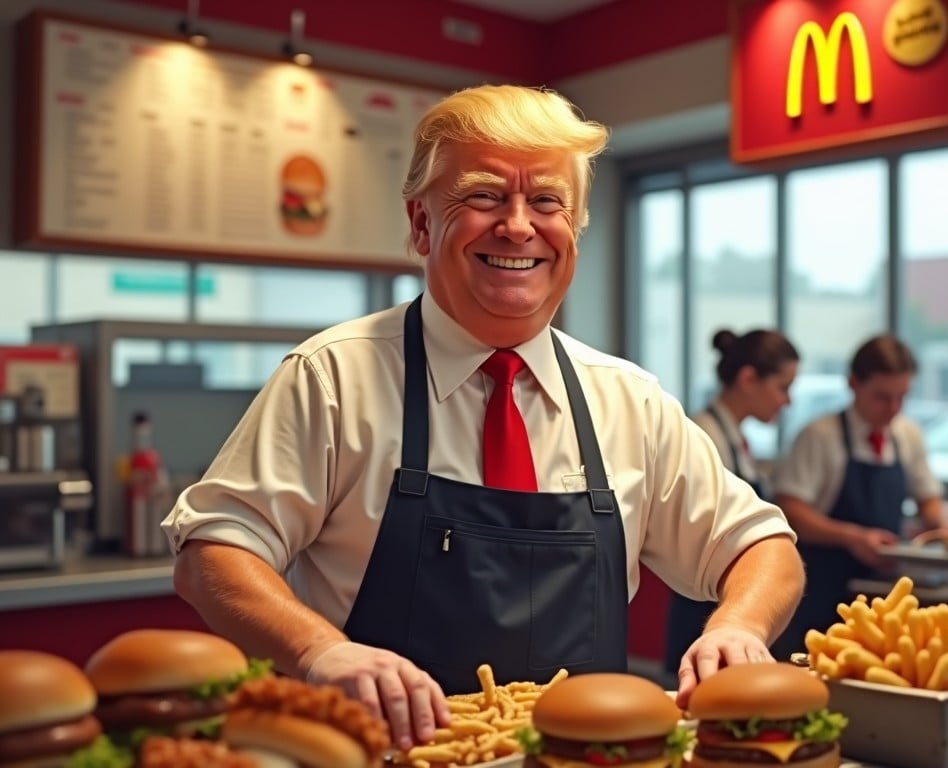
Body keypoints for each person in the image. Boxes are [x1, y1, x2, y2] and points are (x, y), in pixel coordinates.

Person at [161, 83, 805, 751]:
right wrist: (322, 652)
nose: (520, 226)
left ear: (576, 230)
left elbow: (764, 546)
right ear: (419, 223)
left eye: (549, 201)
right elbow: (214, 553)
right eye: (484, 196)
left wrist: (739, 628)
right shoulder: (333, 377)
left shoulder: (630, 401)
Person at [771, 333, 948, 656]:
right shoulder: (820, 436)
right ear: (853, 384)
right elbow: (789, 509)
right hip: (823, 590)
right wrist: (853, 536)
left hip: (883, 594)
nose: (893, 408)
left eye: (902, 397)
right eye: (882, 397)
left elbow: (928, 498)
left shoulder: (907, 435)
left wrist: (945, 528)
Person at [663, 328, 799, 676]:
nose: (788, 401)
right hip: (705, 608)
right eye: (782, 387)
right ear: (748, 378)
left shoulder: (735, 437)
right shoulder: (703, 435)